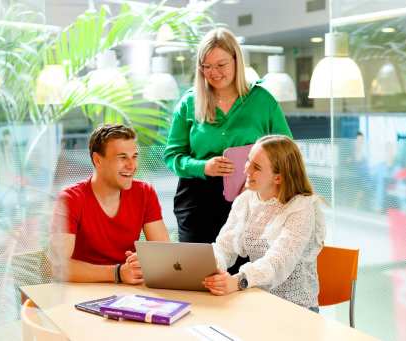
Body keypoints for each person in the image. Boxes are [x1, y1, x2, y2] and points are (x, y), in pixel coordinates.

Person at [163, 28, 293, 272]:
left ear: (236, 60)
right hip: (197, 202)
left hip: (251, 199)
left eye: (221, 64)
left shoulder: (262, 101)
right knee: (197, 273)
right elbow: (172, 156)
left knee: (244, 276)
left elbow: (286, 152)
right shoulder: (189, 103)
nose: (214, 73)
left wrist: (262, 180)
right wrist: (203, 167)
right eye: (207, 66)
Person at [203, 135, 326, 312]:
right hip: (257, 301)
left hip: (296, 309)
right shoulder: (246, 200)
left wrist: (238, 281)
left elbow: (278, 261)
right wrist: (212, 266)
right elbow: (224, 246)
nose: (246, 170)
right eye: (248, 161)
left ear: (278, 178)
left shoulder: (301, 207)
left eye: (256, 167)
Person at [49, 124, 169, 284]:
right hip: (82, 294)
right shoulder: (71, 199)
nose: (131, 165)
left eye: (134, 156)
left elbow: (165, 253)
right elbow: (58, 267)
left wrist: (145, 262)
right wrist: (117, 273)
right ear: (97, 160)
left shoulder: (144, 192)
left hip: (129, 293)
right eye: (122, 157)